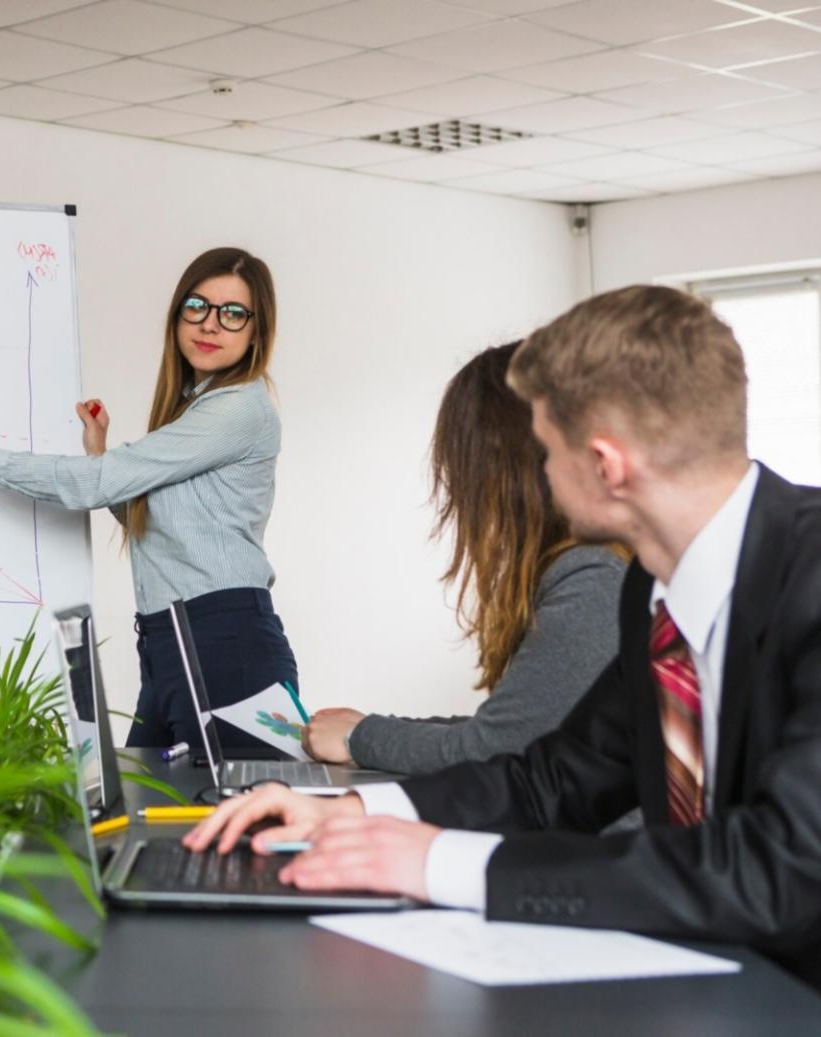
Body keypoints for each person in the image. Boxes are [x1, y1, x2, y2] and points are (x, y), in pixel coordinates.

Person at [186, 285, 821, 987]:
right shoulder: (656, 586)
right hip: (718, 984)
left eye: (545, 450)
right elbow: (553, 778)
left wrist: (437, 862)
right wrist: (350, 809)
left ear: (605, 466)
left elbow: (780, 871)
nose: (539, 474)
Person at [0, 247, 294, 751]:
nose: (210, 325)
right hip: (168, 642)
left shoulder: (238, 410)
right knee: (136, 807)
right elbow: (152, 520)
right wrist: (98, 453)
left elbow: (97, 487)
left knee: (234, 822)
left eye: (233, 314)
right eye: (196, 306)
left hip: (227, 642)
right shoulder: (193, 408)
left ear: (256, 332)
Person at [302, 342, 627, 776]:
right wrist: (365, 729)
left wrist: (359, 737)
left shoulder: (592, 578)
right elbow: (510, 726)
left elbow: (499, 749)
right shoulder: (583, 568)